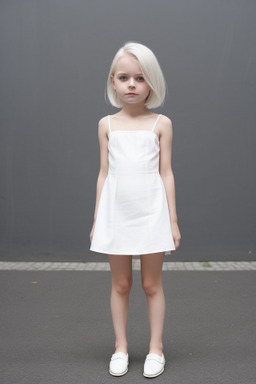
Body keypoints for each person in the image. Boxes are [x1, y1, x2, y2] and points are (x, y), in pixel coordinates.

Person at [89, 41, 181, 378]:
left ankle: (156, 347)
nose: (132, 85)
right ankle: (121, 347)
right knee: (121, 284)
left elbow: (166, 172)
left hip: (151, 213)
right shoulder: (106, 125)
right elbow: (104, 173)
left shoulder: (161, 124)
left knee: (152, 284)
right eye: (124, 77)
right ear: (113, 81)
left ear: (151, 82)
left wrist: (172, 219)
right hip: (117, 214)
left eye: (140, 78)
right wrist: (98, 217)